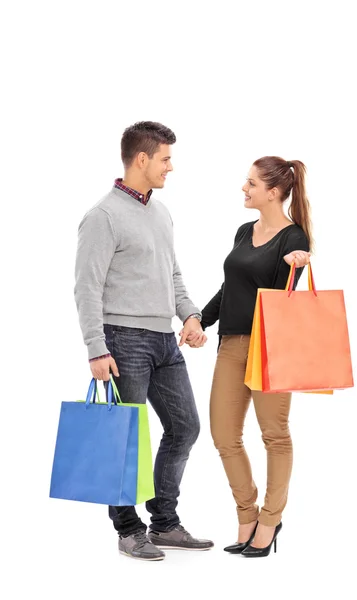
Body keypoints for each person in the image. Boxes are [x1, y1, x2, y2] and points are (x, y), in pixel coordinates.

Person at [74, 121, 213, 562]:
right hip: (124, 339)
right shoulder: (103, 216)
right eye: (166, 159)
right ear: (142, 159)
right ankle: (128, 529)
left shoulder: (161, 212)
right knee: (126, 438)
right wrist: (96, 347)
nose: (171, 167)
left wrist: (190, 314)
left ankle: (165, 522)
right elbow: (86, 287)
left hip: (164, 341)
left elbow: (172, 275)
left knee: (185, 426)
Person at [186, 156, 312, 558]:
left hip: (270, 347)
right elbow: (230, 289)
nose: (244, 188)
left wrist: (297, 267)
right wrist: (200, 321)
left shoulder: (295, 239)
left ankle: (270, 520)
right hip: (232, 345)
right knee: (224, 435)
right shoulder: (244, 231)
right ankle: (247, 513)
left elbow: (283, 301)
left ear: (273, 192)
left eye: (251, 183)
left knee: (274, 435)